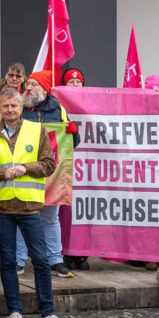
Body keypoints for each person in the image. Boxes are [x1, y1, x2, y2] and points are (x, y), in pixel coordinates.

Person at [0, 88, 69, 318]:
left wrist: (25, 167)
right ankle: (15, 312)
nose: (10, 110)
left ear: (21, 107)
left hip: (29, 206)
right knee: (8, 262)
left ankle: (48, 314)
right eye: (5, 106)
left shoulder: (36, 129)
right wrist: (2, 172)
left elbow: (49, 164)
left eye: (14, 106)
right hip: (3, 205)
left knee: (41, 260)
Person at [16, 70, 78, 278]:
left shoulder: (58, 109)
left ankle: (55, 260)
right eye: (28, 85)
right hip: (25, 170)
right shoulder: (20, 109)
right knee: (22, 214)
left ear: (44, 89)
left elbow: (71, 145)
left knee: (50, 217)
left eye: (33, 84)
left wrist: (73, 132)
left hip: (51, 173)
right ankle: (18, 260)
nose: (28, 88)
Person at [60, 68, 88, 271]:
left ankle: (82, 253)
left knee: (86, 211)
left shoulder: (92, 103)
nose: (75, 85)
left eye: (78, 82)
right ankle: (67, 252)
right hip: (67, 164)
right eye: (71, 82)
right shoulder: (58, 105)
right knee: (66, 212)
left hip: (91, 167)